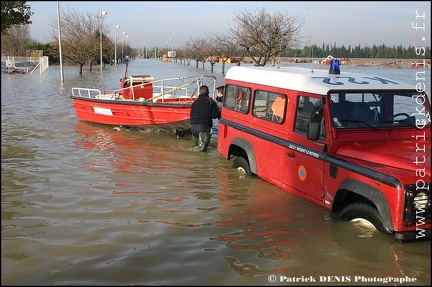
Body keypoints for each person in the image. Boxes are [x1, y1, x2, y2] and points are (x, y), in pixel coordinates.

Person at [190, 85, 220, 152]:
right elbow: (215, 115)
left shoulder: (194, 103)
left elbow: (191, 115)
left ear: (200, 92)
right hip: (203, 127)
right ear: (208, 92)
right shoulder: (210, 101)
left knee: (194, 148)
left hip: (193, 128)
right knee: (202, 150)